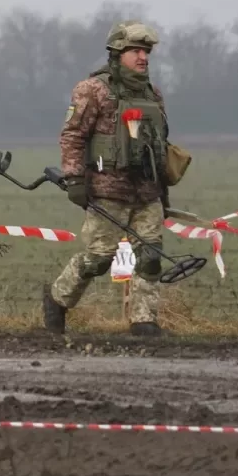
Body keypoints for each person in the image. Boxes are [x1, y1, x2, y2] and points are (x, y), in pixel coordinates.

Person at [45, 21, 170, 338]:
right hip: (106, 191)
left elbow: (160, 145)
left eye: (147, 52)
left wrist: (164, 191)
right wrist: (75, 179)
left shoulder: (153, 94)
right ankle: (57, 299)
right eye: (136, 51)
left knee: (150, 256)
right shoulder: (92, 90)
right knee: (98, 260)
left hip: (147, 193)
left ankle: (144, 320)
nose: (143, 58)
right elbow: (72, 136)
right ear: (118, 53)